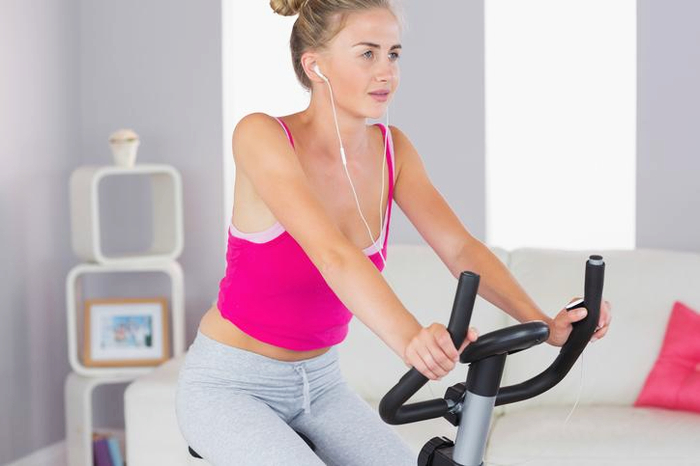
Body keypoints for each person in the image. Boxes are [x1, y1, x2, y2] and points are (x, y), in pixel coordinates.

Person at [175, 1, 613, 465]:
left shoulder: (393, 151)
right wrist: (410, 339)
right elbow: (333, 255)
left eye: (394, 54)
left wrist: (545, 324)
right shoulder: (261, 135)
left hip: (320, 384)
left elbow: (459, 247)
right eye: (368, 53)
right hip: (231, 385)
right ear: (315, 65)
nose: (386, 72)